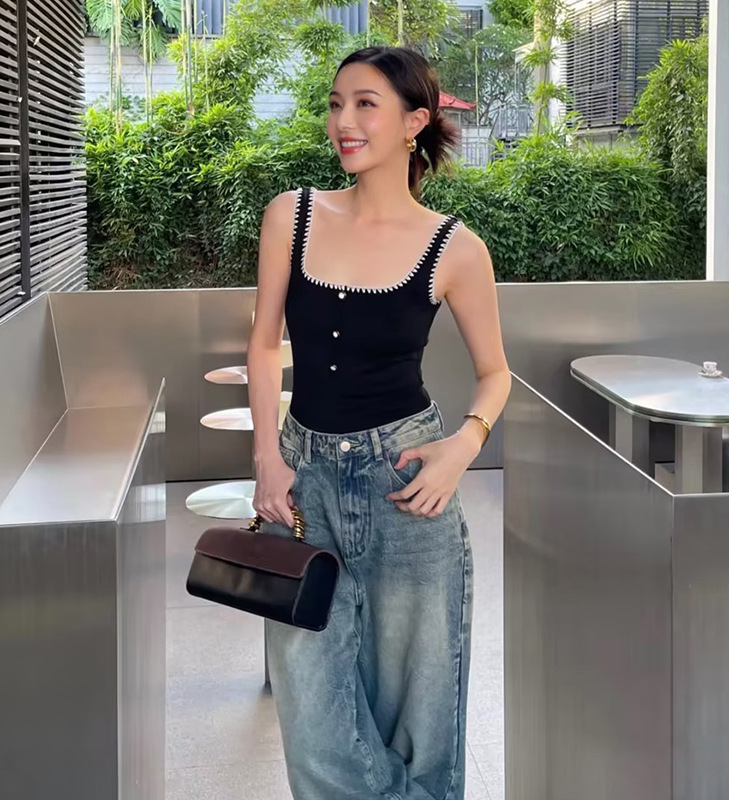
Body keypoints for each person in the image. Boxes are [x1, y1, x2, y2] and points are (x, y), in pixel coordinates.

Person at [247, 45, 511, 800]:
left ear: (414, 122)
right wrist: (266, 456)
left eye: (366, 104)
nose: (344, 120)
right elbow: (263, 344)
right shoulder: (291, 215)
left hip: (406, 482)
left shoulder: (455, 248)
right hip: (301, 483)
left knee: (419, 711)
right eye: (336, 104)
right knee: (311, 714)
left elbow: (496, 373)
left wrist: (463, 446)